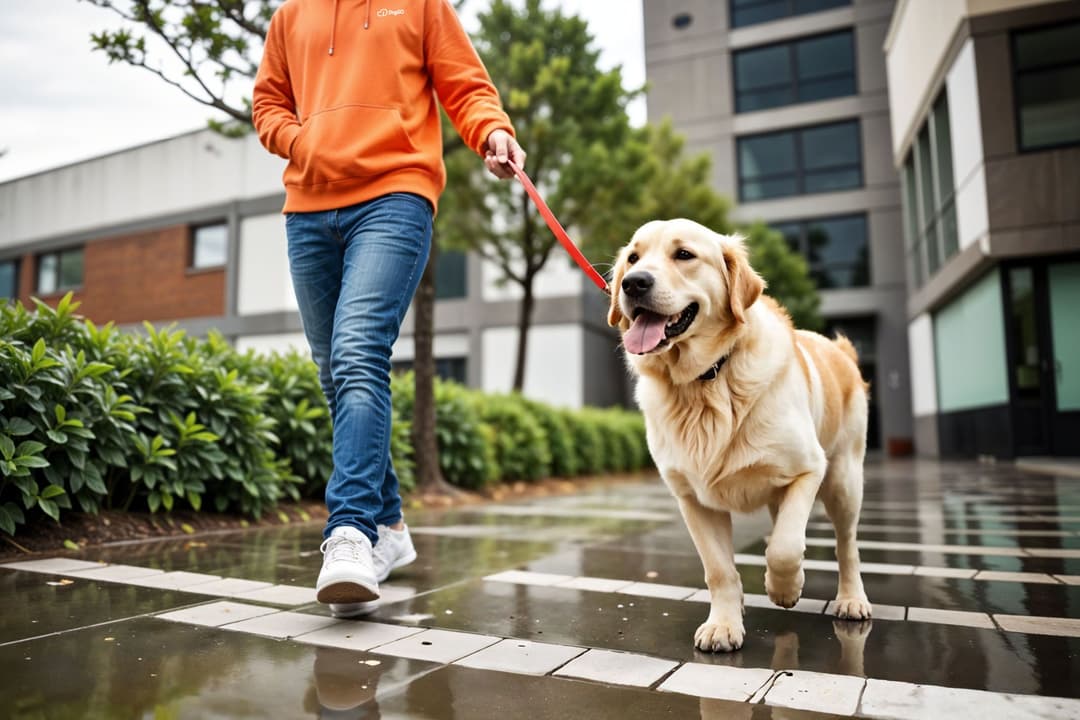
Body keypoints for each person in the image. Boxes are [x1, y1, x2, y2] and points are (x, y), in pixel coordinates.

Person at [252, 0, 525, 617]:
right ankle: (392, 527)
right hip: (308, 209)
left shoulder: (423, 4)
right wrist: (304, 143)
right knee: (334, 370)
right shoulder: (290, 15)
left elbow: (465, 82)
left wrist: (492, 131)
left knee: (356, 351)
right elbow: (268, 103)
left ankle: (349, 533)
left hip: (395, 195)